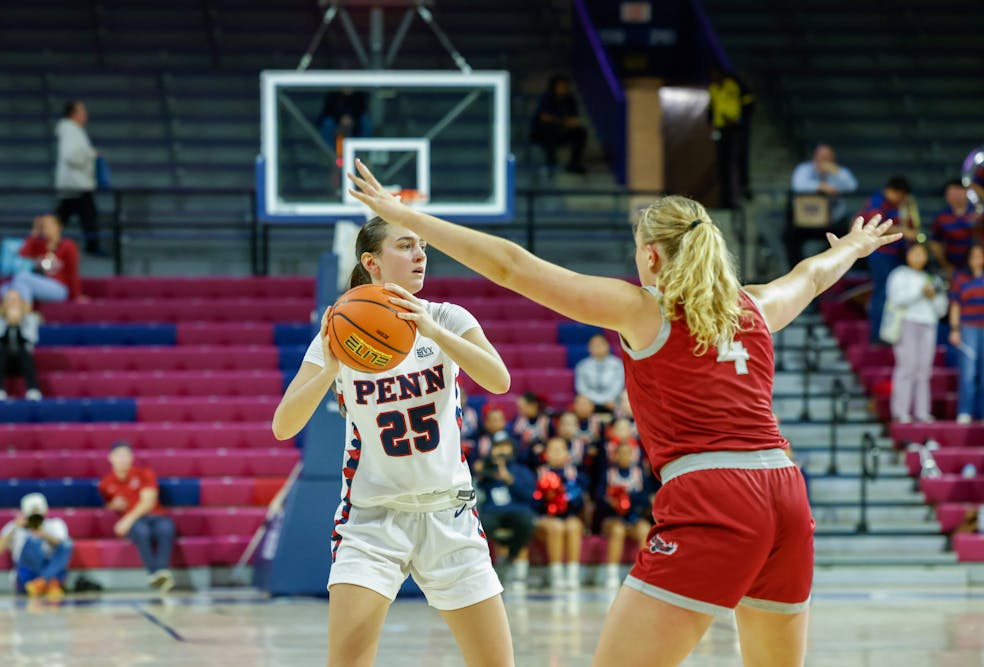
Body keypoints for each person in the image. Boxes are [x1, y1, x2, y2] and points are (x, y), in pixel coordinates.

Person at [347, 157, 900, 666]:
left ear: (652, 255)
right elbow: (813, 274)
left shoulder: (643, 309)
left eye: (639, 250)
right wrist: (852, 247)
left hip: (715, 494)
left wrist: (402, 213)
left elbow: (513, 267)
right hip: (784, 492)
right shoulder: (756, 304)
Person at [271, 216, 515, 667]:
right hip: (372, 520)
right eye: (405, 246)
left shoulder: (447, 317)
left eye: (422, 246)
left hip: (450, 514)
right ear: (372, 262)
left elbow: (498, 380)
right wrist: (330, 365)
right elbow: (283, 426)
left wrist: (432, 330)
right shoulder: (339, 331)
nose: (420, 255)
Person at [97, 441, 176, 592]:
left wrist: (126, 520)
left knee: (166, 528)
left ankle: (159, 572)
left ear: (132, 457)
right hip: (138, 523)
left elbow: (148, 501)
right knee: (141, 531)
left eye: (126, 455)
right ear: (111, 458)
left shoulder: (144, 473)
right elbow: (107, 504)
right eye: (119, 456)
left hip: (154, 515)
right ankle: (159, 574)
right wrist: (113, 505)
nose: (123, 459)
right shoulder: (105, 484)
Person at [884, 244, 947, 423]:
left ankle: (922, 411)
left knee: (924, 369)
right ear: (907, 255)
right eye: (915, 253)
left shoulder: (933, 278)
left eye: (922, 253)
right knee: (906, 367)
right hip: (907, 322)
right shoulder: (899, 274)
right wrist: (921, 292)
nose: (919, 257)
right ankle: (901, 411)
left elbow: (942, 309)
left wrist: (933, 296)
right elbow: (896, 298)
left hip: (928, 324)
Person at [474, 430, 536, 591]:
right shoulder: (484, 470)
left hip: (517, 510)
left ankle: (510, 558)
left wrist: (509, 479)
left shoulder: (521, 470)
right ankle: (481, 570)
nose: (501, 451)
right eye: (497, 447)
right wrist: (478, 474)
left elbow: (528, 495)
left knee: (527, 521)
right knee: (480, 526)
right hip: (492, 511)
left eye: (505, 447)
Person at [859, 176, 917, 343]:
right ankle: (877, 335)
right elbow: (875, 226)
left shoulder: (900, 205)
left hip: (894, 254)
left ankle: (888, 333)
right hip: (879, 254)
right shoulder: (877, 202)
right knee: (881, 293)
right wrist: (904, 231)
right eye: (901, 196)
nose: (902, 200)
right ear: (895, 192)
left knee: (889, 293)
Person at [0, 493, 72, 599]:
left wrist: (44, 535)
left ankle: (42, 583)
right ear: (24, 513)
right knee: (33, 541)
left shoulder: (55, 524)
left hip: (50, 570)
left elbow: (64, 548)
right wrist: (14, 528)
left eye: (38, 513)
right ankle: (46, 583)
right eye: (32, 514)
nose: (35, 518)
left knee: (67, 544)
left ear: (45, 511)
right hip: (27, 575)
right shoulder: (15, 527)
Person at [787, 144, 859, 265]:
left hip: (833, 221)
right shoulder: (804, 169)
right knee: (789, 235)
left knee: (847, 236)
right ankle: (796, 270)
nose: (823, 161)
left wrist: (836, 171)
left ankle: (829, 268)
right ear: (814, 157)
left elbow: (852, 185)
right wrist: (821, 187)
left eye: (827, 158)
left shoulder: (837, 172)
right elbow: (797, 184)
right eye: (820, 157)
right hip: (807, 220)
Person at [532, 437, 587, 590]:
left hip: (568, 516)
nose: (556, 453)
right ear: (546, 454)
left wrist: (565, 497)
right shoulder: (539, 473)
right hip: (545, 518)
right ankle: (556, 575)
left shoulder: (575, 473)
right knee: (556, 527)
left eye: (560, 450)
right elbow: (534, 502)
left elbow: (580, 502)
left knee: (574, 526)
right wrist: (546, 498)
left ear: (567, 453)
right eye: (552, 450)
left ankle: (572, 574)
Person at [598, 441, 652, 589]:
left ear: (633, 455)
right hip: (613, 518)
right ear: (615, 455)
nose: (624, 456)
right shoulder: (608, 474)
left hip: (634, 517)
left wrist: (629, 499)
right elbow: (599, 499)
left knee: (645, 530)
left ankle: (643, 574)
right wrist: (613, 503)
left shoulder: (639, 473)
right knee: (618, 530)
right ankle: (612, 574)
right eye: (621, 453)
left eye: (628, 453)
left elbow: (646, 498)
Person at [0, 214, 84, 305]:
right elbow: (22, 254)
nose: (46, 228)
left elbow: (72, 272)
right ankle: (23, 310)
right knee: (3, 289)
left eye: (49, 225)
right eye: (43, 226)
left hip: (59, 287)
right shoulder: (39, 245)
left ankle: (26, 313)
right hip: (39, 284)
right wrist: (35, 232)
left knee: (22, 277)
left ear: (59, 227)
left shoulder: (68, 245)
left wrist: (77, 295)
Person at [55, 100, 103, 256]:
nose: (85, 114)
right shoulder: (70, 130)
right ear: (73, 114)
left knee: (63, 216)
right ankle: (92, 246)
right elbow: (71, 156)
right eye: (82, 111)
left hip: (75, 183)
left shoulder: (73, 130)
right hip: (76, 184)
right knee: (87, 215)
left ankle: (45, 241)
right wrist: (91, 154)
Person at [708, 68, 754, 209]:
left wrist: (739, 120)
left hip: (736, 129)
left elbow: (749, 102)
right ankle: (725, 200)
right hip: (721, 130)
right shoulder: (713, 88)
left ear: (722, 74)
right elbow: (711, 108)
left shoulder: (734, 84)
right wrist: (712, 124)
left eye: (716, 74)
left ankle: (743, 190)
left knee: (738, 161)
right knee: (723, 165)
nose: (714, 77)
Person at [949, 245, 984, 424]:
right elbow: (955, 304)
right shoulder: (961, 278)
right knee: (968, 373)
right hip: (968, 328)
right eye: (974, 255)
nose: (977, 258)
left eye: (980, 255)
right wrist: (955, 329)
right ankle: (965, 411)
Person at [0, 289, 42, 401]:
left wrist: (17, 324)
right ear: (4, 303)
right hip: (4, 362)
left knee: (24, 351)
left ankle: (33, 389)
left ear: (21, 302)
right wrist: (9, 324)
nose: (12, 302)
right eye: (9, 299)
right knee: (1, 351)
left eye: (15, 300)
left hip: (23, 362)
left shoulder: (30, 318)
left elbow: (30, 340)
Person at [530, 74, 588, 174]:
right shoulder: (547, 97)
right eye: (560, 85)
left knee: (580, 132)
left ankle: (574, 163)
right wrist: (562, 121)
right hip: (543, 133)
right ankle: (550, 161)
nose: (563, 88)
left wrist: (559, 121)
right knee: (547, 128)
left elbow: (574, 120)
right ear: (554, 86)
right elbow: (544, 117)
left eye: (565, 85)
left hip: (562, 132)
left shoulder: (570, 99)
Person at [929, 180, 981, 276]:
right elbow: (934, 242)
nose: (956, 196)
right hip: (951, 265)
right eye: (952, 193)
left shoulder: (978, 212)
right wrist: (946, 266)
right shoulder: (941, 217)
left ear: (966, 192)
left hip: (978, 264)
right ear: (946, 196)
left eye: (959, 191)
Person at [574, 333, 626, 413]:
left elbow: (618, 386)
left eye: (600, 344)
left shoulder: (618, 364)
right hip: (590, 402)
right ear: (589, 348)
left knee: (625, 397)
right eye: (594, 345)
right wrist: (599, 401)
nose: (598, 347)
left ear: (607, 346)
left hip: (613, 400)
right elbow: (582, 388)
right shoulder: (582, 366)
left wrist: (608, 399)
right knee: (582, 401)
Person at [318, 89, 371, 155]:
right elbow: (327, 111)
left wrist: (352, 119)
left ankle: (359, 151)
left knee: (365, 122)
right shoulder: (333, 95)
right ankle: (333, 153)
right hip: (336, 126)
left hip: (355, 127)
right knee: (327, 123)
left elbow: (362, 110)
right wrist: (339, 119)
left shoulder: (359, 95)